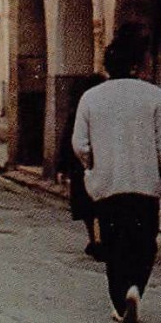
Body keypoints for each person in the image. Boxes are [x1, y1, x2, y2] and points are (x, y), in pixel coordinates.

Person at [71, 27, 161, 323]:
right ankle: (136, 289)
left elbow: (79, 143)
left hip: (108, 185)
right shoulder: (154, 96)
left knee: (114, 246)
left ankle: (122, 302)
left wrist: (92, 165)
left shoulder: (91, 97)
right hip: (144, 185)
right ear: (136, 64)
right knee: (144, 244)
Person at [57, 73, 105, 259]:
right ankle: (99, 240)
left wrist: (62, 167)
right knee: (98, 206)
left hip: (82, 166)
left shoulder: (78, 112)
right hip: (99, 164)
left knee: (88, 208)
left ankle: (95, 240)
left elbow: (68, 140)